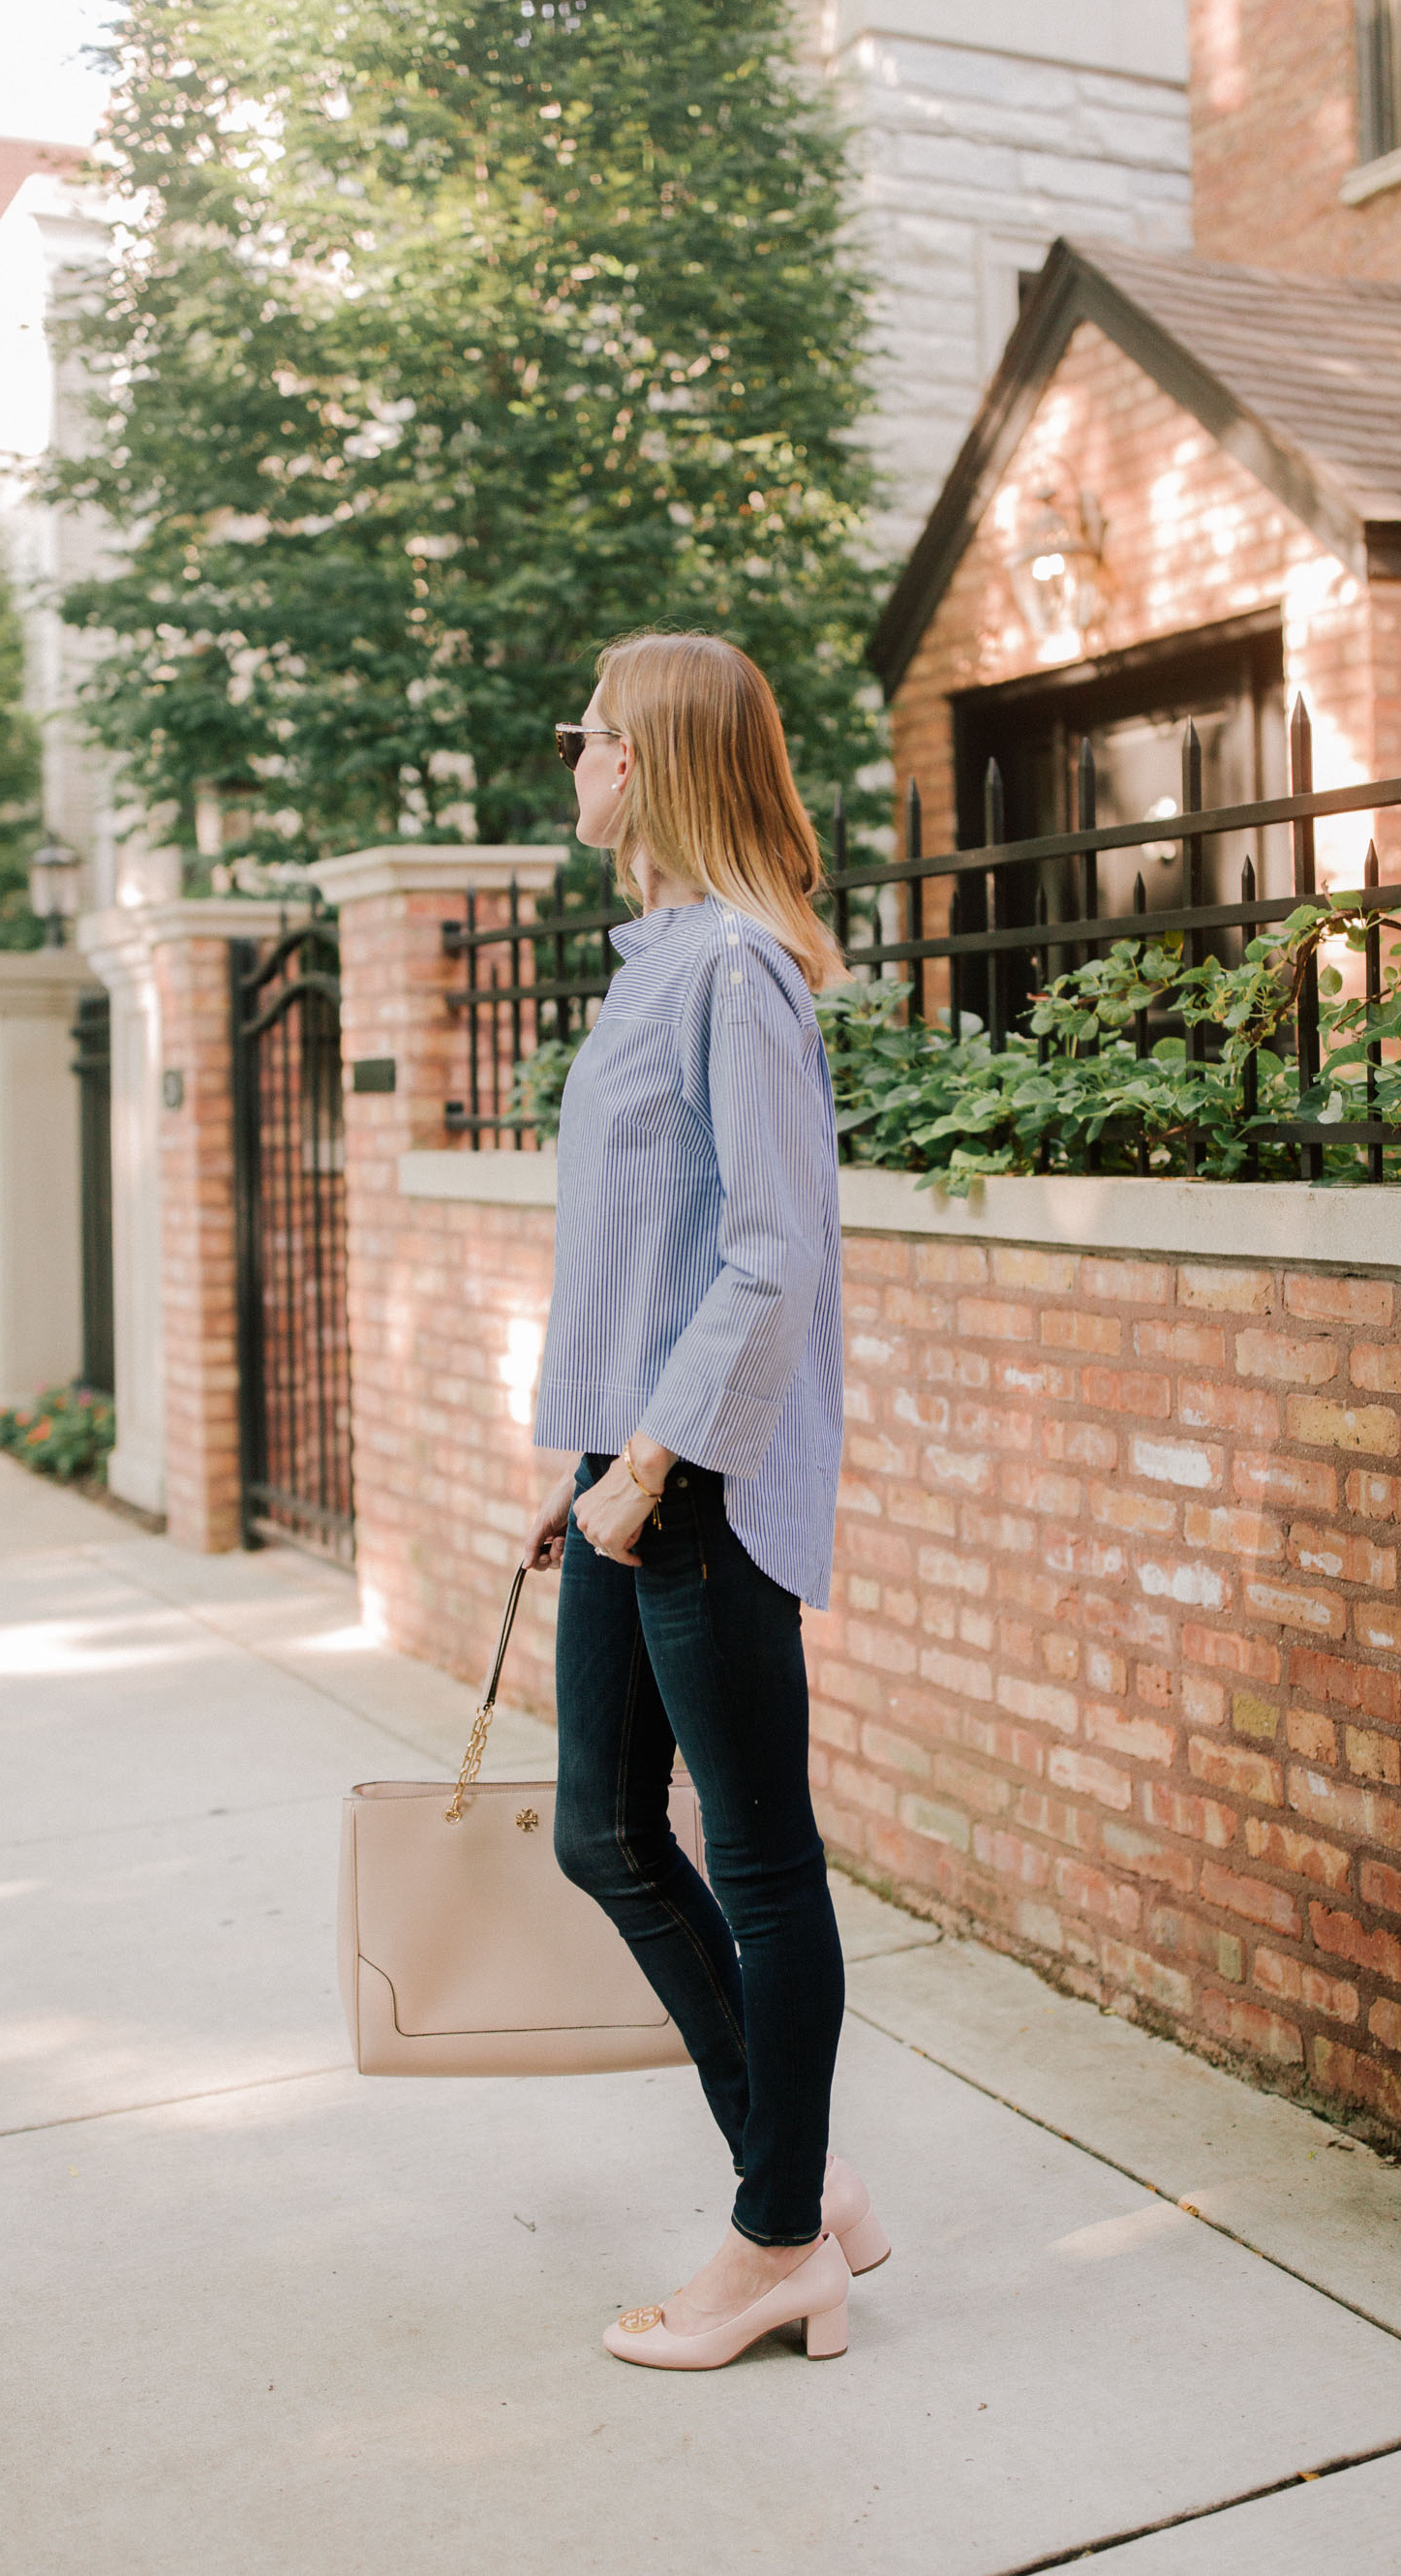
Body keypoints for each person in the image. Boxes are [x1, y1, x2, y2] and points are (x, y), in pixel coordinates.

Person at [522, 630, 890, 2374]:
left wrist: (656, 1459)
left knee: (754, 1860)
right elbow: (636, 1259)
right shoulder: (653, 964)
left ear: (652, 761)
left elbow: (771, 1257)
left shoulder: (740, 974)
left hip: (699, 1481)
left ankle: (773, 2245)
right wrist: (589, 1454)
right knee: (600, 1828)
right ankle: (807, 2189)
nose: (573, 754)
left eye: (591, 732)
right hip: (627, 1465)